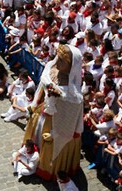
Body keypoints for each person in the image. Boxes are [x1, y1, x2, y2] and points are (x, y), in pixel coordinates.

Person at [23, 44, 84, 181]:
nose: (58, 61)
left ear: (72, 65)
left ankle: (46, 168)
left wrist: (55, 133)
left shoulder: (73, 92)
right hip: (43, 111)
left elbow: (71, 114)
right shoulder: (51, 66)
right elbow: (41, 86)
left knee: (50, 143)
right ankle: (31, 155)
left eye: (63, 60)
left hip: (58, 123)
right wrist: (34, 104)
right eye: (59, 57)